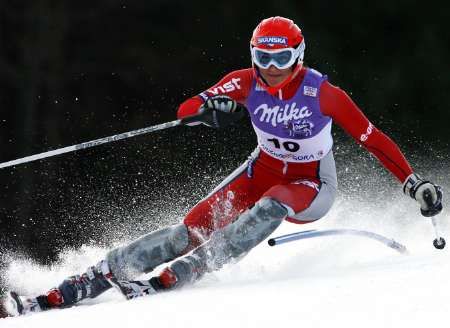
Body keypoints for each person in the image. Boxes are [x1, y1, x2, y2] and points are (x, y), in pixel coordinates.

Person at [1, 16, 443, 317]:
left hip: (311, 183)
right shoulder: (247, 81)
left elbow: (372, 139)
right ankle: (90, 279)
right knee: (187, 230)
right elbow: (188, 106)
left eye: (281, 59)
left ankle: (186, 272)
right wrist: (208, 106)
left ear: (299, 56)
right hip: (261, 170)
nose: (271, 69)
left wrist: (412, 183)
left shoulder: (323, 94)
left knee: (270, 206)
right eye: (263, 58)